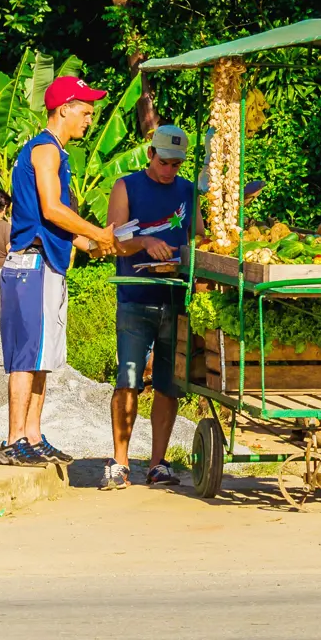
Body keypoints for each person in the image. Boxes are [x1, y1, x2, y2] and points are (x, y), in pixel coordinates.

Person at [0, 77, 117, 468]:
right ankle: (14, 440)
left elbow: (53, 223)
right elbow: (51, 209)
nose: (90, 118)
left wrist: (92, 246)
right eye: (85, 110)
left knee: (43, 357)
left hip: (45, 262)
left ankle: (33, 434)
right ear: (64, 108)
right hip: (31, 265)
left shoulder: (52, 153)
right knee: (26, 356)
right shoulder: (46, 150)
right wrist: (98, 231)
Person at [103, 124, 202, 490]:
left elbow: (199, 236)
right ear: (150, 155)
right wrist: (144, 240)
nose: (169, 171)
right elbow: (113, 239)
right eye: (164, 163)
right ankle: (120, 461)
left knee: (168, 385)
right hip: (135, 296)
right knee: (128, 381)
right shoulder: (127, 186)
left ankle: (158, 463)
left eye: (176, 165)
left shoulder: (188, 191)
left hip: (175, 298)